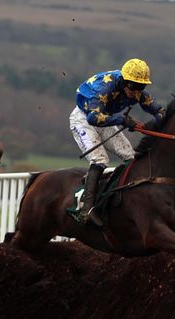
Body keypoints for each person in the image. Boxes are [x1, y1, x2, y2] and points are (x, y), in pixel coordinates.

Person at [70, 58, 165, 226]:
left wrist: (154, 122)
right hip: (84, 119)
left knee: (130, 156)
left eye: (141, 87)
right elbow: (93, 117)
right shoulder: (106, 87)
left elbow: (161, 112)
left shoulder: (136, 91)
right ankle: (87, 210)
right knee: (100, 160)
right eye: (133, 86)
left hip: (105, 118)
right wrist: (121, 119)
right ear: (124, 80)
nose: (136, 91)